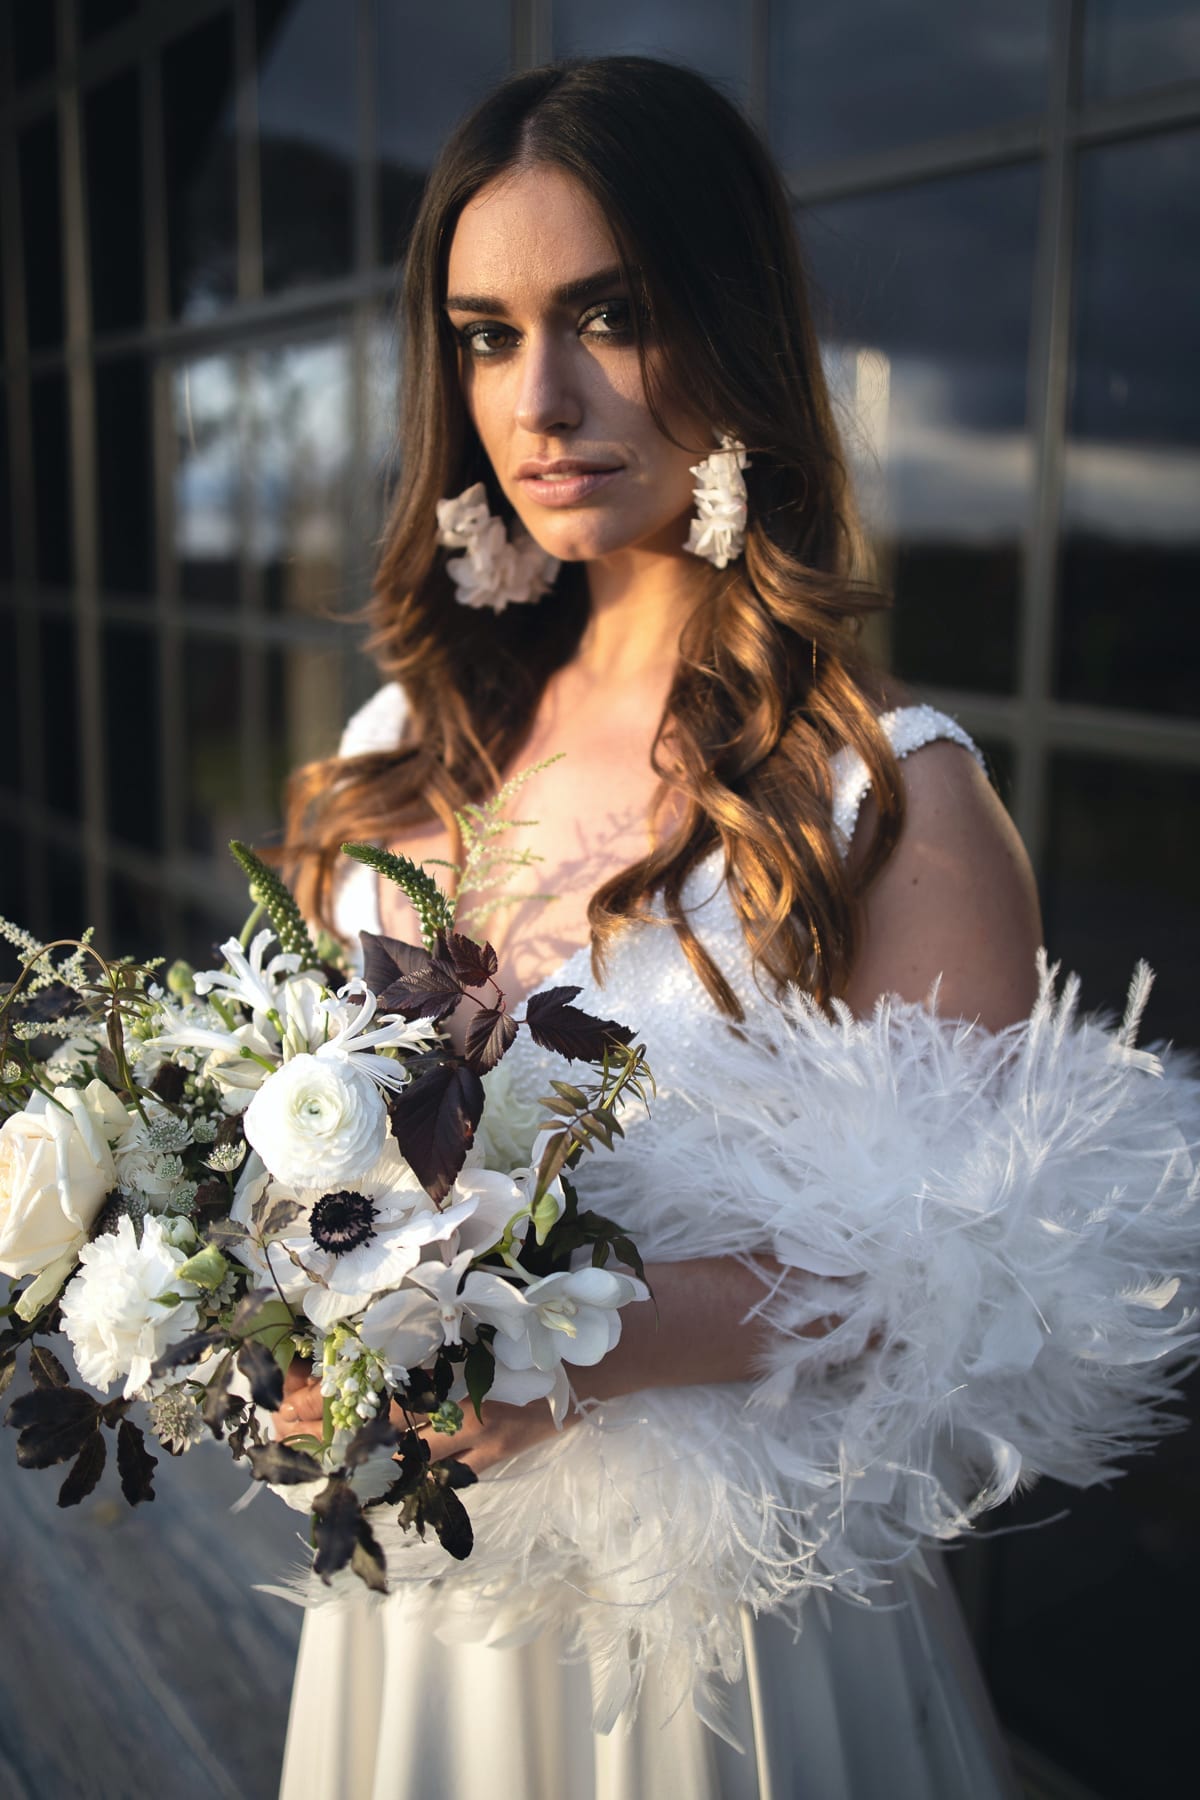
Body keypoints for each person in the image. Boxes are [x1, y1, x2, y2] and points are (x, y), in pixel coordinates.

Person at [268, 58, 1191, 1800]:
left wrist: (556, 1344)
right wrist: (281, 1330)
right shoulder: (408, 747)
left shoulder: (881, 799)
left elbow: (958, 1277)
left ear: (733, 324)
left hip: (717, 1659)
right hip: (412, 1608)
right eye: (483, 332)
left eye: (606, 314)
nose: (538, 398)